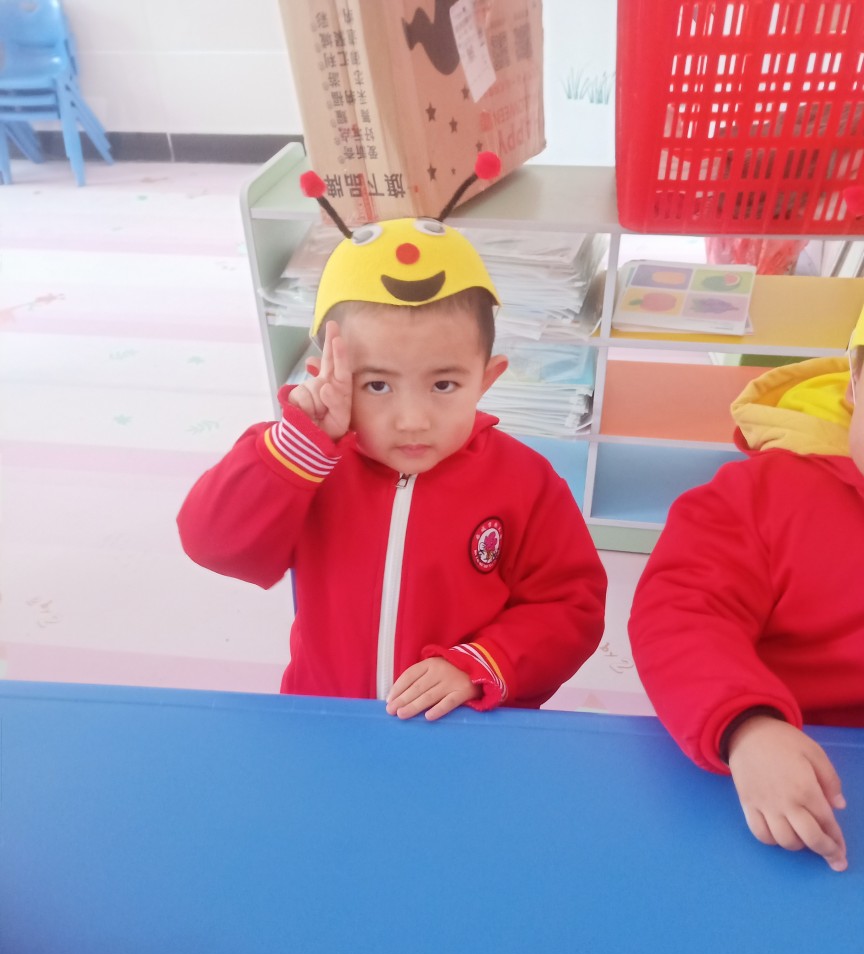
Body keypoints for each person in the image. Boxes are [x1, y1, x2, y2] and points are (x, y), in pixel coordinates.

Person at [177, 175, 606, 721]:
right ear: (327, 376)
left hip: (458, 724)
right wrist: (298, 445)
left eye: (444, 384)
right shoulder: (304, 464)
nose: (412, 420)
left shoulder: (527, 482)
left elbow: (571, 605)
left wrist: (482, 664)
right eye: (376, 385)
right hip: (324, 718)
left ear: (487, 378)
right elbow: (212, 544)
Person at [628, 306, 864, 872]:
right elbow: (680, 611)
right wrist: (748, 726)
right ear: (853, 384)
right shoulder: (764, 495)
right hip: (755, 765)